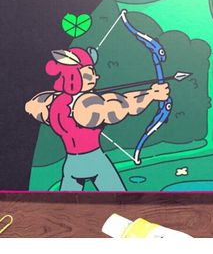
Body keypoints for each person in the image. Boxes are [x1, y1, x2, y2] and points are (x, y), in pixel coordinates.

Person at [25, 47, 170, 191]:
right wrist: (152, 95)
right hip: (94, 161)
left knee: (65, 200)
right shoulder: (87, 106)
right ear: (76, 75)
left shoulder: (52, 101)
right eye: (90, 73)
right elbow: (124, 105)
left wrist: (150, 93)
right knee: (120, 198)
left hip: (71, 164)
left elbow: (32, 106)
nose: (96, 77)